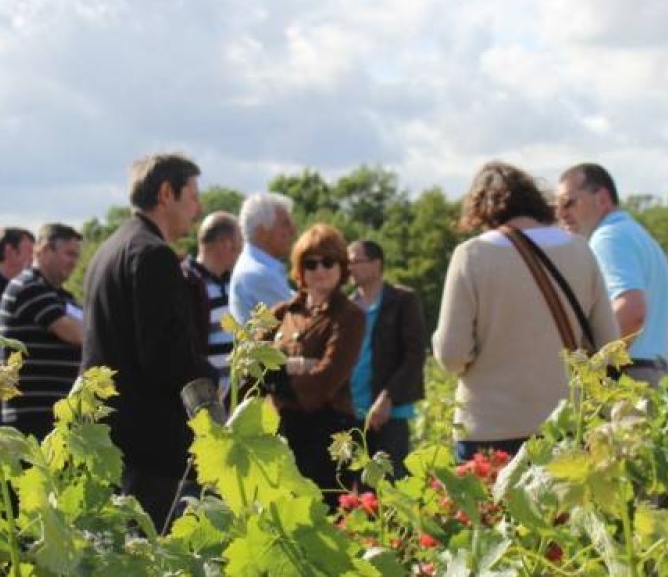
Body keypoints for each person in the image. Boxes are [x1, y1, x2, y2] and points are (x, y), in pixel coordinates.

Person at [434, 162, 619, 462]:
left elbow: (452, 354)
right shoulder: (580, 250)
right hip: (566, 425)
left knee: (493, 509)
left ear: (481, 210)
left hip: (490, 429)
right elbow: (609, 345)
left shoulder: (472, 255)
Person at [81, 153, 216, 530]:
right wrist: (209, 378)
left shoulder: (109, 250)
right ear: (166, 193)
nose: (198, 208)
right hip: (148, 442)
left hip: (110, 437)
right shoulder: (153, 255)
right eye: (192, 195)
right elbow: (163, 356)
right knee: (143, 551)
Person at [555, 163, 668, 383]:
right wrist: (663, 385)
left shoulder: (608, 238)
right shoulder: (647, 242)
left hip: (623, 378)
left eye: (568, 202)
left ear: (602, 198)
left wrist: (592, 370)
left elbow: (632, 310)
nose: (561, 213)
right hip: (653, 377)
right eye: (557, 206)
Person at [264, 223, 365, 507]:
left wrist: (280, 375)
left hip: (328, 433)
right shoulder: (282, 313)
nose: (320, 270)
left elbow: (328, 376)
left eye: (328, 261)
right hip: (283, 431)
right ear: (300, 270)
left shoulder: (349, 315)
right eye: (311, 263)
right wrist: (298, 365)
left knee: (324, 519)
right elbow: (252, 363)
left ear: (341, 267)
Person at [0, 223, 85, 440]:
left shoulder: (63, 297)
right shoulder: (29, 286)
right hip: (33, 416)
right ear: (45, 250)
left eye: (76, 255)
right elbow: (78, 334)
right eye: (69, 254)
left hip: (57, 415)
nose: (74, 262)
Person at [347, 240, 425, 468]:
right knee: (354, 493)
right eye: (347, 262)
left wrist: (387, 398)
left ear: (376, 264)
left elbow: (415, 355)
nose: (349, 268)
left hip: (390, 412)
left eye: (356, 261)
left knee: (391, 487)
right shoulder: (347, 307)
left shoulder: (402, 301)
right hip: (351, 412)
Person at [181, 212, 242, 389]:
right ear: (225, 243)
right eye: (240, 241)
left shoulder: (235, 282)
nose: (242, 248)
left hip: (235, 400)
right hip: (205, 399)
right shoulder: (186, 283)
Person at [227, 192, 296, 325]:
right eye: (285, 224)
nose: (292, 231)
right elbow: (299, 324)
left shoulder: (257, 268)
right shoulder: (258, 274)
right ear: (262, 231)